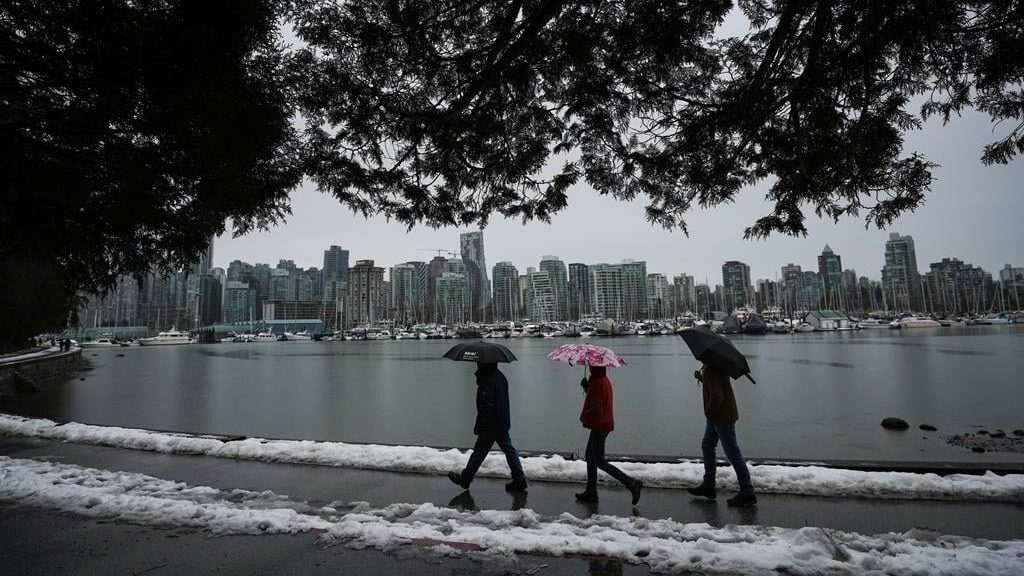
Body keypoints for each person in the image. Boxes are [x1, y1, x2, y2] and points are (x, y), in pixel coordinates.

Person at [448, 362, 528, 492]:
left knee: (479, 453)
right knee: (509, 450)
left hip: (491, 424)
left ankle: (465, 479)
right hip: (502, 421)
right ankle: (519, 479)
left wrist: (480, 424)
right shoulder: (500, 377)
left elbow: (486, 405)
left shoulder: (487, 381)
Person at [687, 362, 756, 507]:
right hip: (718, 415)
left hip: (721, 416)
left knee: (732, 452)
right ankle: (708, 485)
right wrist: (701, 377)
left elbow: (717, 396)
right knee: (707, 445)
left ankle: (747, 491)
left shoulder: (712, 368)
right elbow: (716, 385)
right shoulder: (713, 367)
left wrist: (708, 412)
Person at [574, 365, 643, 504]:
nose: (590, 367)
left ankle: (631, 483)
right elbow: (596, 399)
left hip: (600, 425)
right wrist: (587, 387)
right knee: (590, 457)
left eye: (592, 365)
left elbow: (596, 408)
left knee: (599, 461)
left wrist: (584, 416)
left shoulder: (598, 383)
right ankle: (591, 491)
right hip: (603, 424)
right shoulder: (601, 380)